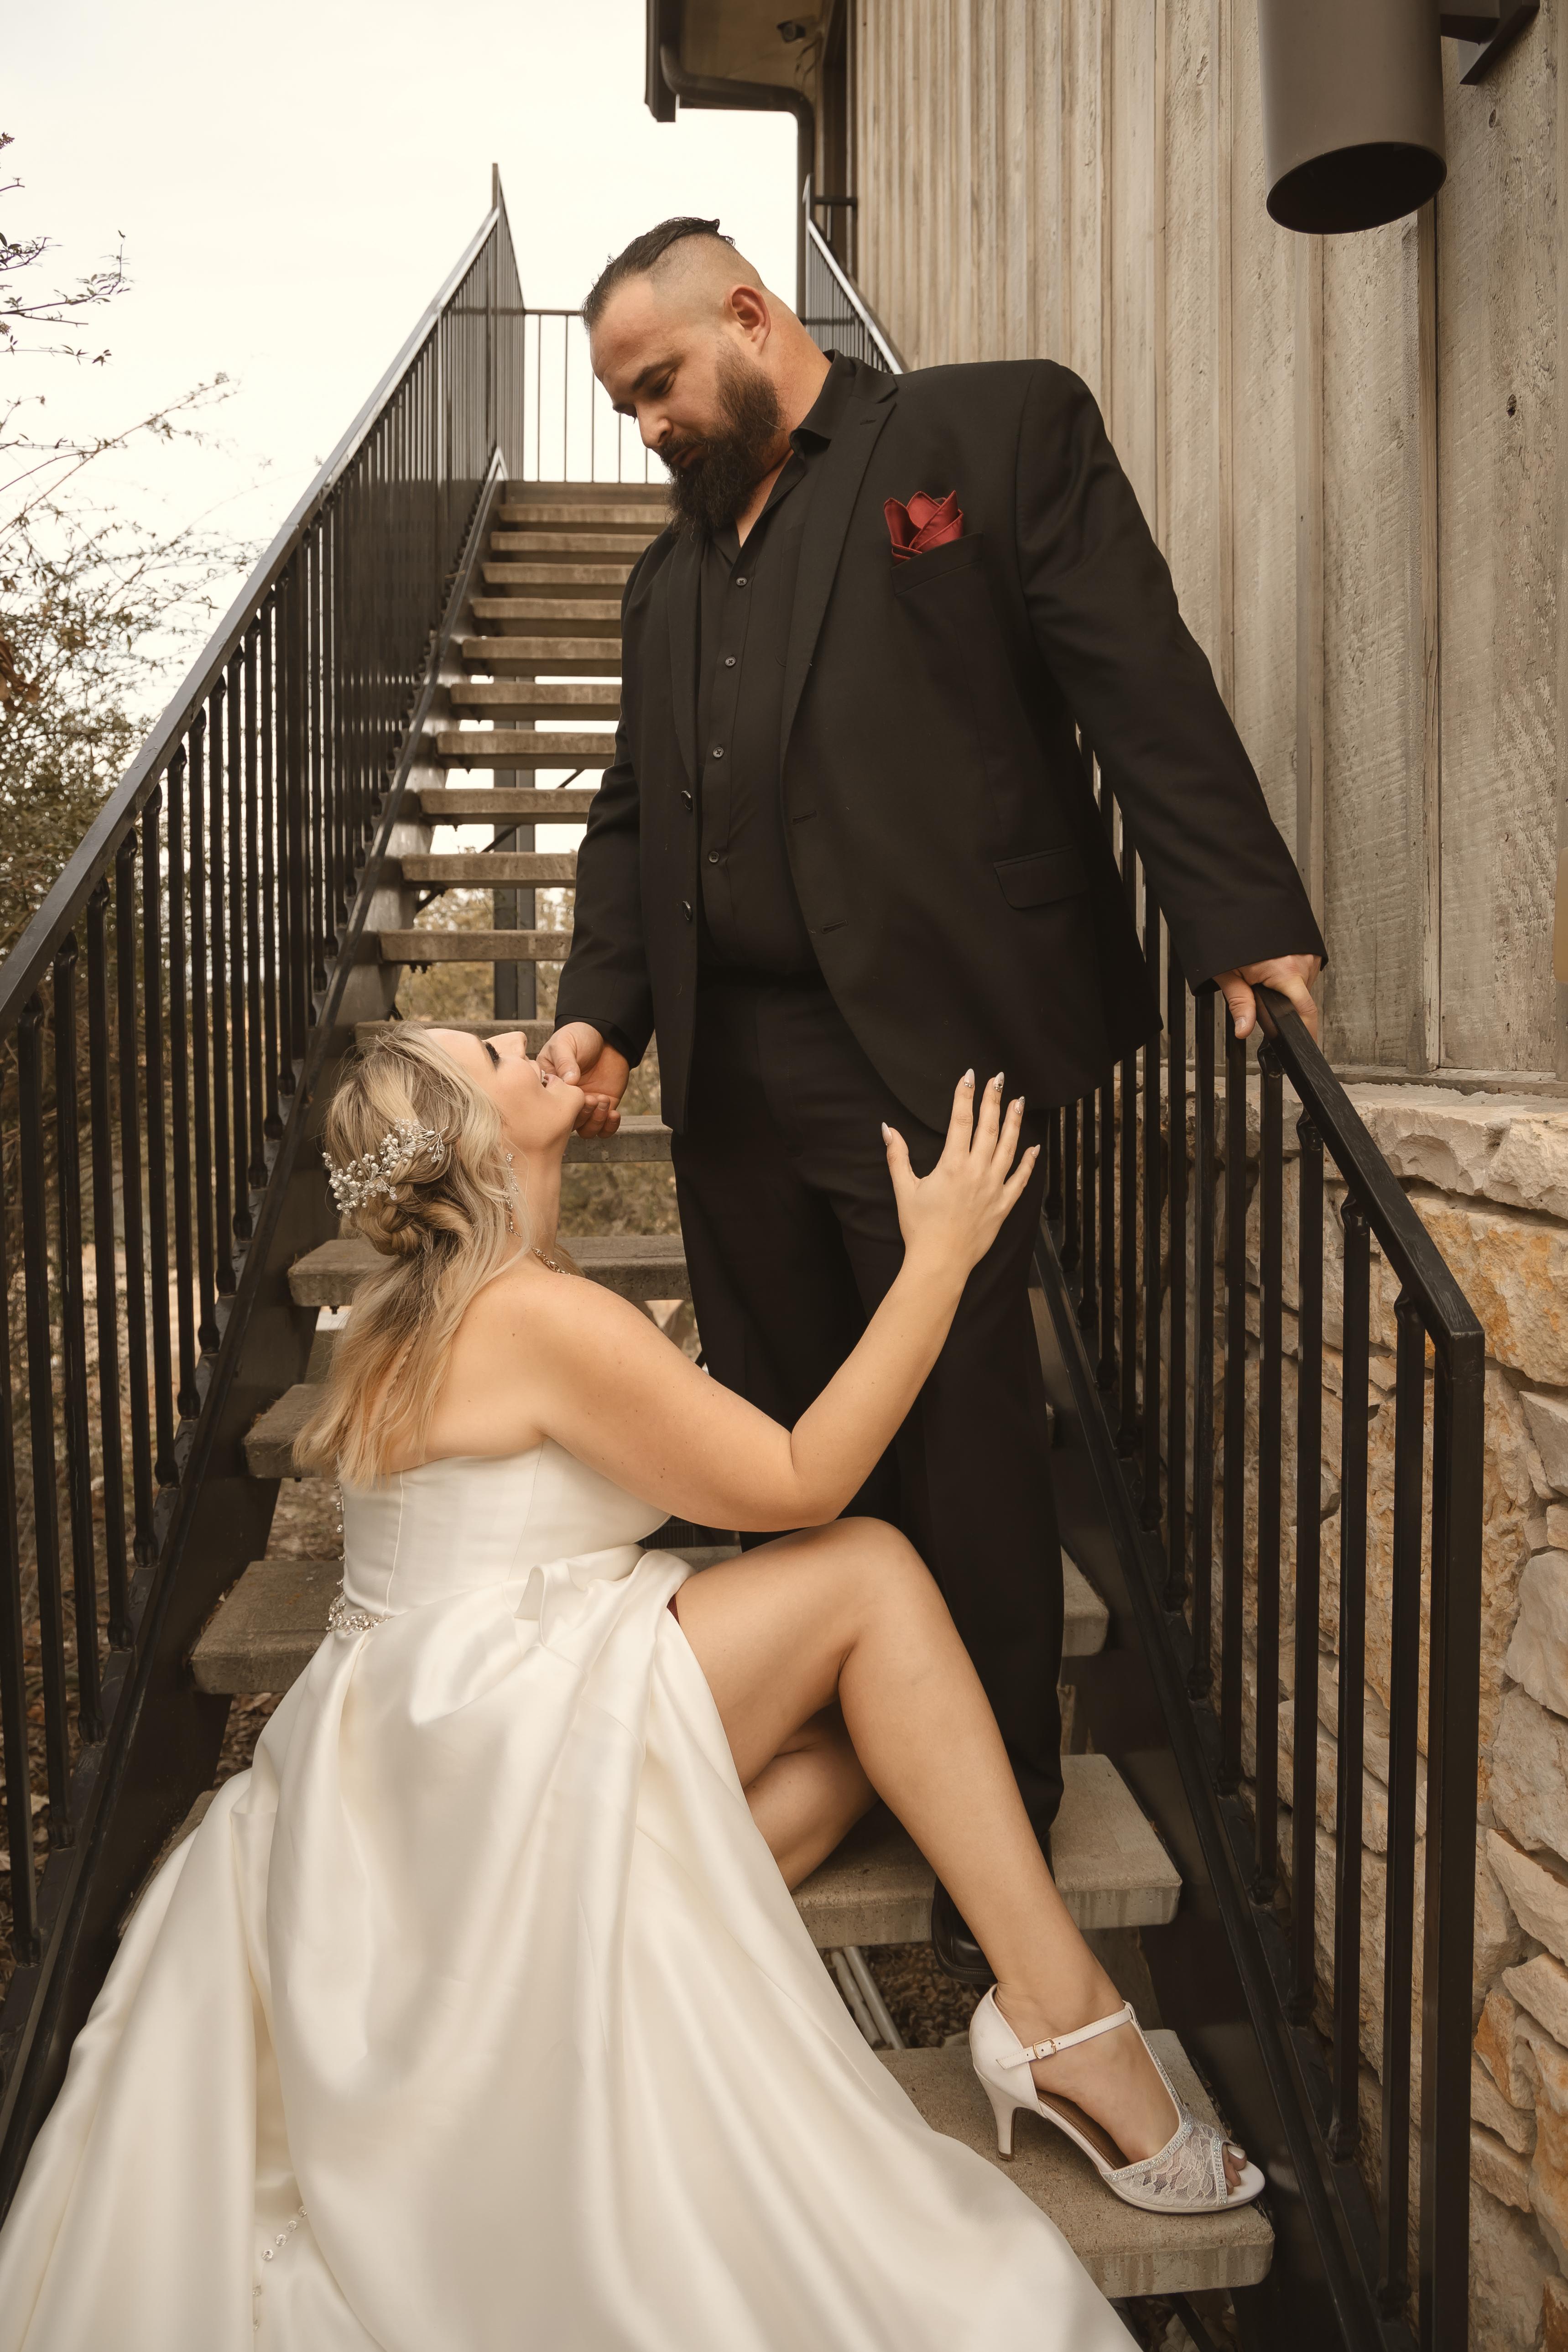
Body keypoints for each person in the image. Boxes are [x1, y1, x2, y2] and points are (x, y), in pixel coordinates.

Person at [0, 1024, 1260, 2352]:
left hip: (409, 1763)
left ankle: (579, 1943)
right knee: (873, 1579)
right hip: (497, 1715)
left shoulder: (412, 1309)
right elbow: (800, 1483)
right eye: (497, 1051)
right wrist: (938, 1258)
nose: (536, 1039)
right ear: (477, 1134)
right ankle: (1063, 2014)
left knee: (877, 1741)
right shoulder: (535, 1316)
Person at [543, 216, 1327, 1982]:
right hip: (733, 1068)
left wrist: (1239, 913)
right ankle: (854, 1719)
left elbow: (1137, 671)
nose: (647, 426)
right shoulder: (666, 582)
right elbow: (630, 818)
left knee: (965, 1432)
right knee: (784, 1409)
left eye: (658, 384)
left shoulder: (985, 435)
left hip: (927, 1046)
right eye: (625, 403)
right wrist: (604, 1020)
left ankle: (997, 1814)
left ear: (752, 316)